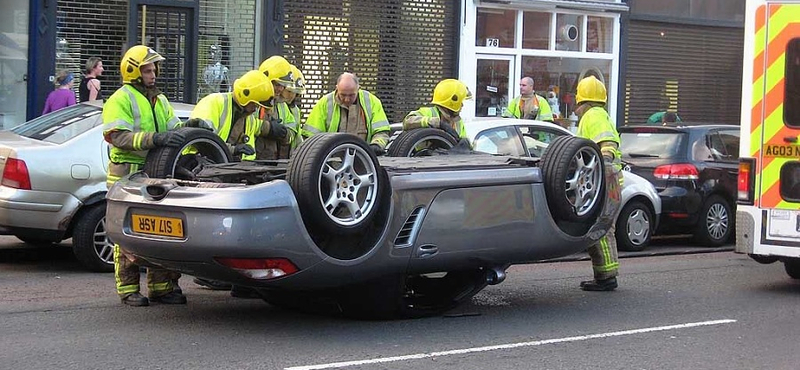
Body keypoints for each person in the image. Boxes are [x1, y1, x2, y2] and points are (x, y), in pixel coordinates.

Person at [102, 45, 187, 306]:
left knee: (160, 233)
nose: (153, 74)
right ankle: (128, 290)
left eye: (154, 69)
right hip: (126, 176)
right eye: (147, 69)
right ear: (133, 72)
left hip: (154, 175)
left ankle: (160, 288)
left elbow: (174, 128)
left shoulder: (159, 99)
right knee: (126, 237)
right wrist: (155, 139)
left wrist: (191, 127)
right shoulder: (121, 98)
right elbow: (118, 136)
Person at [573, 75, 621, 291]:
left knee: (599, 228)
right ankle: (605, 275)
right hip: (606, 181)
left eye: (578, 104)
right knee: (603, 228)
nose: (576, 109)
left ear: (583, 101)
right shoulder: (600, 114)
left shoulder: (593, 115)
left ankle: (606, 278)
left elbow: (607, 144)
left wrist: (603, 169)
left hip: (604, 182)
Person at [184, 70, 276, 161]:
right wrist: (233, 150)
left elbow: (257, 126)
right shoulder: (214, 103)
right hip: (196, 166)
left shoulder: (248, 117)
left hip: (228, 169)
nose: (255, 109)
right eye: (255, 105)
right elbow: (204, 139)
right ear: (245, 97)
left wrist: (271, 128)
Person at [303, 72, 390, 155]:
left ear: (358, 89)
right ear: (336, 88)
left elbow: (381, 132)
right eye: (343, 95)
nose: (347, 99)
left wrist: (376, 145)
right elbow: (311, 137)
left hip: (364, 159)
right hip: (330, 160)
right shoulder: (324, 103)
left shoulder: (371, 102)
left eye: (351, 95)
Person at [254, 56, 299, 160]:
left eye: (283, 86)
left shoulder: (281, 104)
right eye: (277, 84)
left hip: (273, 162)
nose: (280, 89)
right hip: (249, 162)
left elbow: (292, 131)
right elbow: (246, 126)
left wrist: (284, 133)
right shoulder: (253, 100)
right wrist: (268, 128)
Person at [402, 79, 472, 142]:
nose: (462, 105)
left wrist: (465, 143)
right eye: (461, 102)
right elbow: (407, 122)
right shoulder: (428, 112)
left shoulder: (458, 122)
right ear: (453, 101)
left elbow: (464, 144)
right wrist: (437, 123)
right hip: (422, 155)